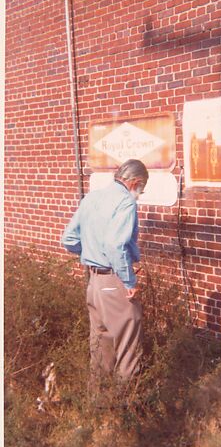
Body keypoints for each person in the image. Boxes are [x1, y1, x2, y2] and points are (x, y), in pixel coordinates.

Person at [61, 159, 149, 398]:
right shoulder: (126, 202)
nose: (140, 194)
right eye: (141, 188)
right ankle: (127, 407)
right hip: (113, 281)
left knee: (101, 343)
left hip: (94, 283)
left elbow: (68, 239)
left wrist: (91, 252)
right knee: (128, 342)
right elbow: (114, 244)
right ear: (135, 182)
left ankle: (100, 403)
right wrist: (129, 282)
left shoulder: (91, 198)